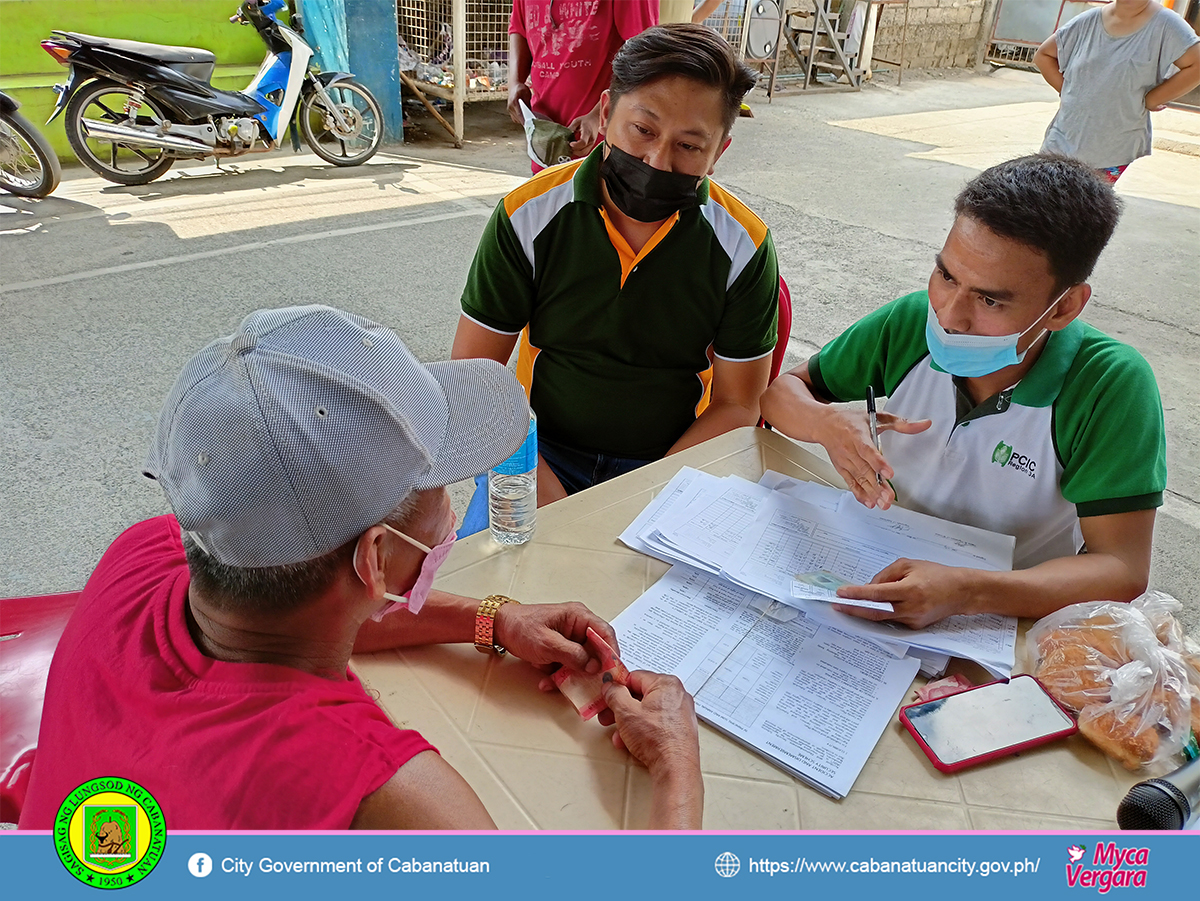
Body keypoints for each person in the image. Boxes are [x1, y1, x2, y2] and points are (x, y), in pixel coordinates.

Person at [18, 305, 702, 830]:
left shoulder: (141, 552)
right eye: (440, 484)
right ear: (376, 556)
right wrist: (675, 774)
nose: (448, 507)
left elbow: (297, 609)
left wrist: (492, 618)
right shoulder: (387, 799)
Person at [760, 155, 1166, 630]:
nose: (950, 316)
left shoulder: (1108, 384)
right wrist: (824, 424)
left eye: (990, 299)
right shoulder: (910, 322)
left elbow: (1121, 568)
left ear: (1065, 307)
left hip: (1005, 614)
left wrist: (969, 591)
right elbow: (782, 393)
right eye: (947, 276)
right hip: (869, 562)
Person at [457, 24, 779, 507]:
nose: (657, 160)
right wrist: (545, 496)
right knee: (486, 578)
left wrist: (645, 496)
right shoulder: (527, 216)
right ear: (606, 113)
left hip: (669, 460)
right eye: (643, 130)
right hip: (536, 451)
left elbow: (737, 404)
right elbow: (474, 377)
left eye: (689, 146)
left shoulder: (744, 246)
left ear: (718, 153)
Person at [1034, 0, 1200, 183]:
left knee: (1085, 208)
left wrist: (1153, 99)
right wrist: (1071, 93)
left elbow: (1196, 65)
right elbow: (1044, 55)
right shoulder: (1088, 20)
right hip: (1062, 139)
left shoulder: (1167, 25)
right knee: (1041, 204)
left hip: (1111, 149)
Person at [507, 0, 659, 173]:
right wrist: (515, 83)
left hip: (603, 149)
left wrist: (599, 114)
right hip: (546, 142)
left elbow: (644, 55)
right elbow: (519, 29)